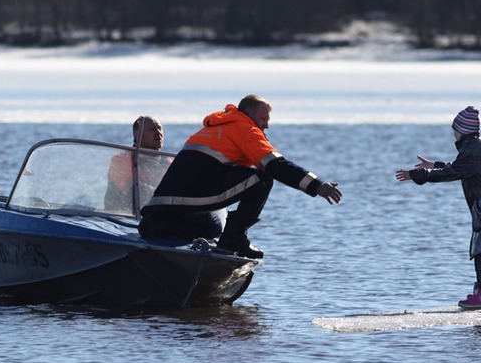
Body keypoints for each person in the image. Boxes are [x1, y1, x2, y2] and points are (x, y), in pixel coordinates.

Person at [139, 95, 343, 258]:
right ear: (249, 114)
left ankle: (160, 224)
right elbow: (276, 165)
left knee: (210, 226)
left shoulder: (216, 127)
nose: (266, 126)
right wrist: (316, 186)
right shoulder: (246, 129)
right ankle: (234, 238)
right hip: (192, 197)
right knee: (263, 178)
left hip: (162, 203)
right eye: (263, 119)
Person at [395, 106, 481, 309]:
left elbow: (451, 173)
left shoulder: (473, 150)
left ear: (463, 131)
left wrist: (418, 175)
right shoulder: (476, 147)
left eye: (455, 130)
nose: (454, 134)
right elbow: (458, 167)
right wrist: (434, 165)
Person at [104, 116, 170, 212]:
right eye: (152, 129)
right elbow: (136, 193)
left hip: (156, 218)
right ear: (136, 135)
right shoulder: (121, 160)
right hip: (122, 217)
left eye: (159, 129)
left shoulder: (169, 162)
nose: (158, 133)